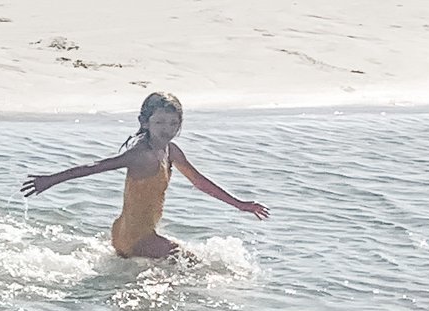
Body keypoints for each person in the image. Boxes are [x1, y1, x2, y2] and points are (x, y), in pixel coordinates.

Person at [20, 88, 270, 257]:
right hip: (137, 237)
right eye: (160, 123)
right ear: (144, 122)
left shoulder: (171, 152)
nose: (167, 129)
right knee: (192, 265)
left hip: (125, 232)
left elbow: (199, 182)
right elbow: (95, 167)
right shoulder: (141, 155)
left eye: (173, 124)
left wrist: (240, 204)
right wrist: (51, 180)